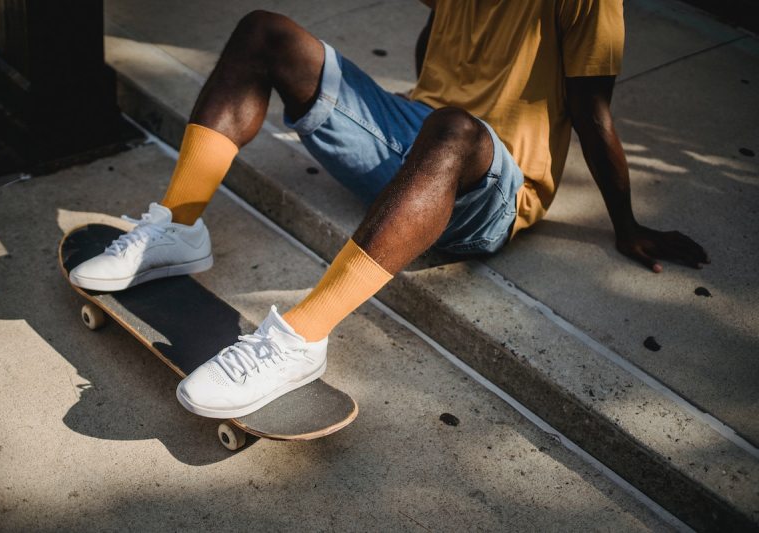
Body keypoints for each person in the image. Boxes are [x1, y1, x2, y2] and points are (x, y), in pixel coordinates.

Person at [69, 1, 708, 419]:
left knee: (455, 128)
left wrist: (627, 228)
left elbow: (593, 115)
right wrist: (406, 111)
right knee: (266, 32)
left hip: (490, 187)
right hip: (417, 139)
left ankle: (300, 340)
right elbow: (435, 46)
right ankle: (178, 227)